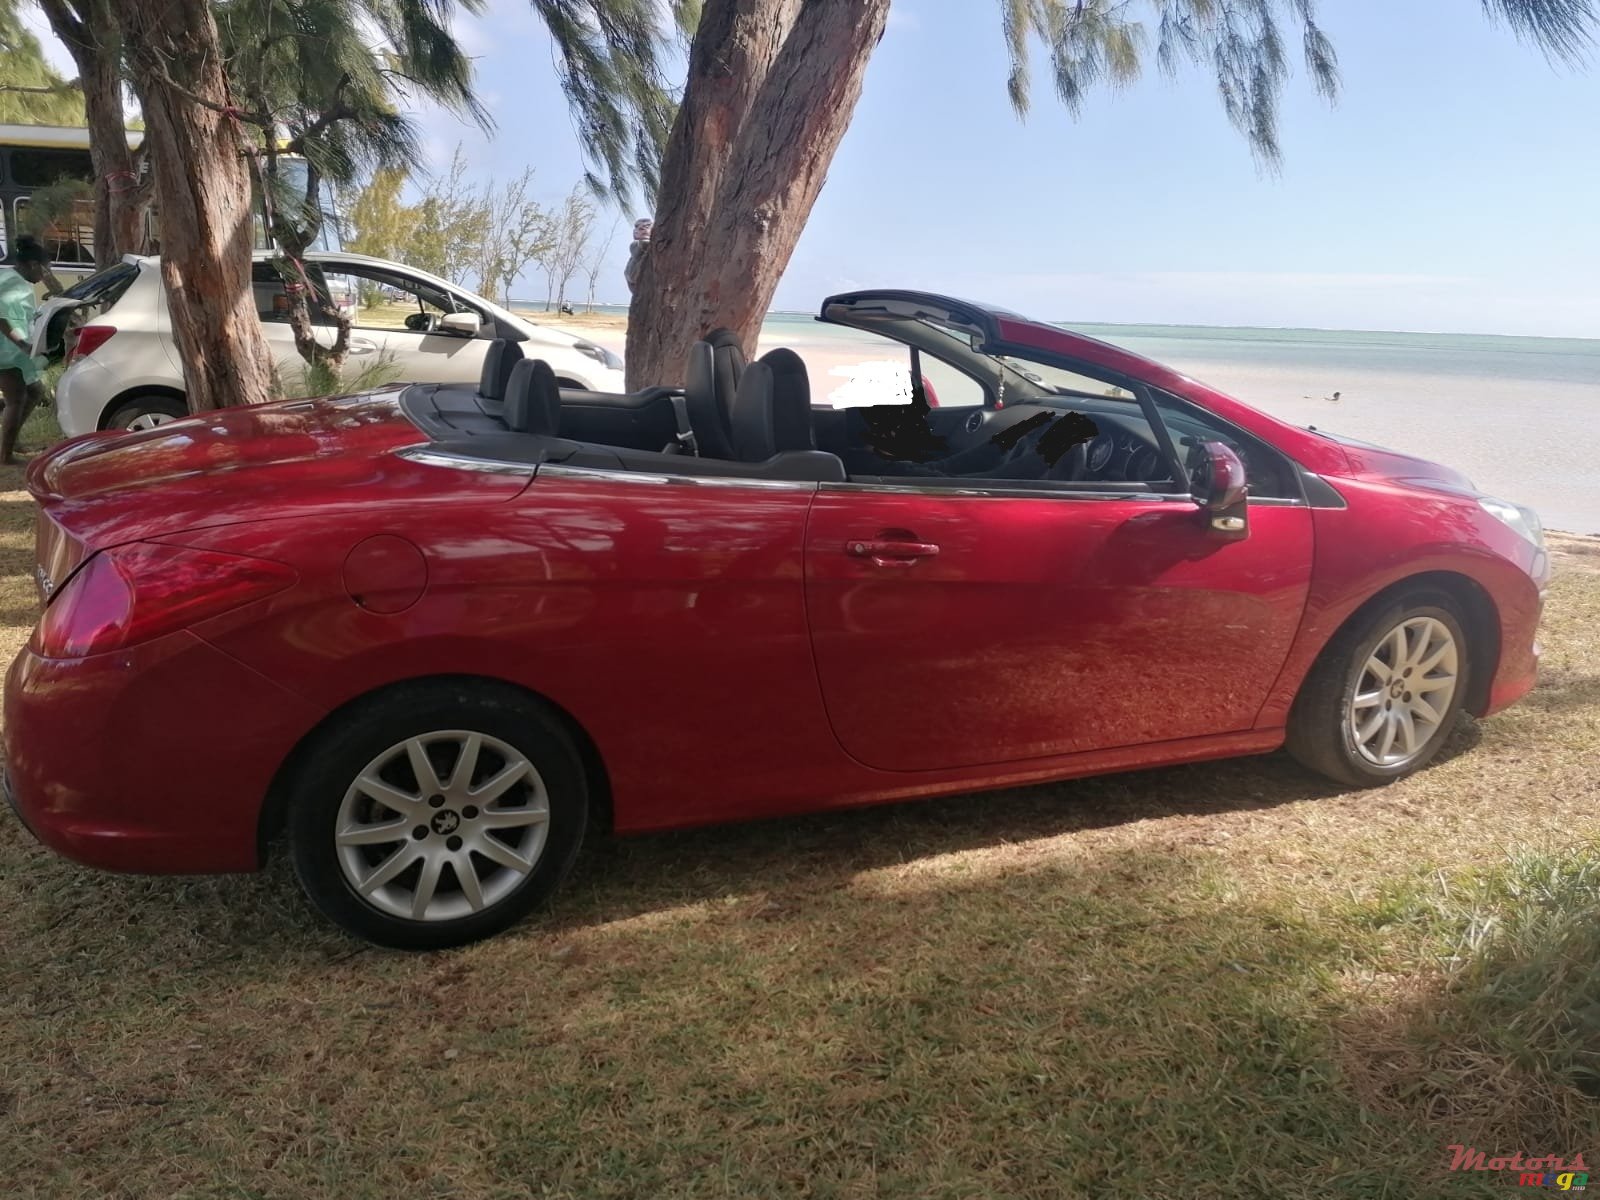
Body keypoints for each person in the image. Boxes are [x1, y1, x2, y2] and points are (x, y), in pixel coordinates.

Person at [0, 236, 52, 464]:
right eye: (45, 270)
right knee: (16, 399)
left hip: (12, 351)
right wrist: (21, 344)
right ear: (33, 264)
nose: (44, 276)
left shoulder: (13, 279)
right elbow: (2, 318)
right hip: (6, 352)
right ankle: (5, 455)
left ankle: (11, 440)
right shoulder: (11, 282)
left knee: (35, 391)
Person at [624, 218, 652, 294]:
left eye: (647, 226)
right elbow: (644, 244)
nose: (643, 228)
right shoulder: (635, 245)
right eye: (638, 227)